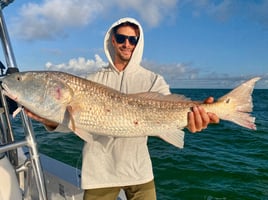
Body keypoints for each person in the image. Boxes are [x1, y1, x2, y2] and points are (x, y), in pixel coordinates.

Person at [26, 17, 219, 200]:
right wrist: (48, 120)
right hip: (99, 173)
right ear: (112, 40)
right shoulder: (90, 80)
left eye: (132, 40)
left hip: (139, 172)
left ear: (138, 43)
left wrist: (195, 121)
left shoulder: (153, 80)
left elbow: (172, 115)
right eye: (121, 38)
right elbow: (71, 122)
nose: (127, 44)